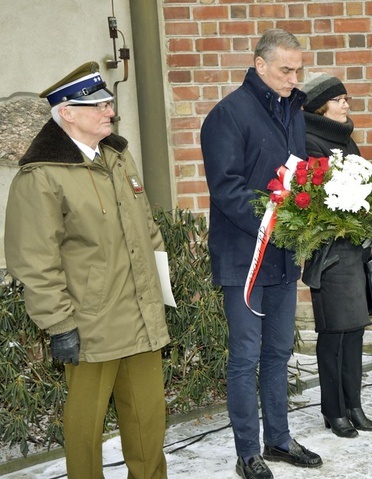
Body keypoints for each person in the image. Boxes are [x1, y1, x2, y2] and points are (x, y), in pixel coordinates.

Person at [4, 62, 170, 479]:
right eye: (96, 105)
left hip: (140, 313)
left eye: (109, 102)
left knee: (148, 419)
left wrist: (159, 293)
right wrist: (59, 325)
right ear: (67, 114)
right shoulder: (41, 176)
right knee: (85, 424)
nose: (108, 111)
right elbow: (34, 260)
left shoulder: (117, 154)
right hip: (90, 321)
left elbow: (146, 229)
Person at [200, 29, 322, 479]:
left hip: (284, 256)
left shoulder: (293, 110)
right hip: (242, 257)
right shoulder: (227, 115)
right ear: (260, 65)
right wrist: (272, 225)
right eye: (286, 69)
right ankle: (247, 450)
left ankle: (279, 439)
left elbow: (298, 178)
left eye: (298, 69)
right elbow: (226, 188)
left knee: (277, 353)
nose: (294, 77)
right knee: (245, 357)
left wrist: (306, 216)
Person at [299, 73, 372, 438]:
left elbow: (364, 186)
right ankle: (333, 412)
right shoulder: (309, 141)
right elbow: (321, 196)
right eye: (340, 99)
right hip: (330, 254)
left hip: (355, 250)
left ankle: (354, 405)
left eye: (346, 98)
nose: (346, 104)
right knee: (333, 334)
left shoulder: (347, 140)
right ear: (321, 106)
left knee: (355, 332)